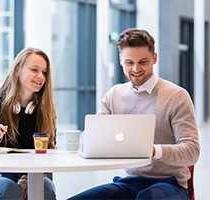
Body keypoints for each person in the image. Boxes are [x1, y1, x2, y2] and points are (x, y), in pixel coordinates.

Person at [68, 28, 200, 200]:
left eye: (143, 62)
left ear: (154, 58)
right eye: (129, 62)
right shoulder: (114, 95)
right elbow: (89, 137)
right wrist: (92, 144)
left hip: (170, 183)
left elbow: (192, 151)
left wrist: (153, 150)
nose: (136, 69)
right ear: (121, 60)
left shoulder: (176, 96)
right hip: (129, 182)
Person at [0, 47, 57, 200]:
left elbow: (48, 151)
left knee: (45, 188)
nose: (40, 76)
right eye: (34, 70)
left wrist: (29, 178)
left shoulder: (45, 111)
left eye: (44, 72)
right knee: (9, 189)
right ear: (17, 70)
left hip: (32, 174)